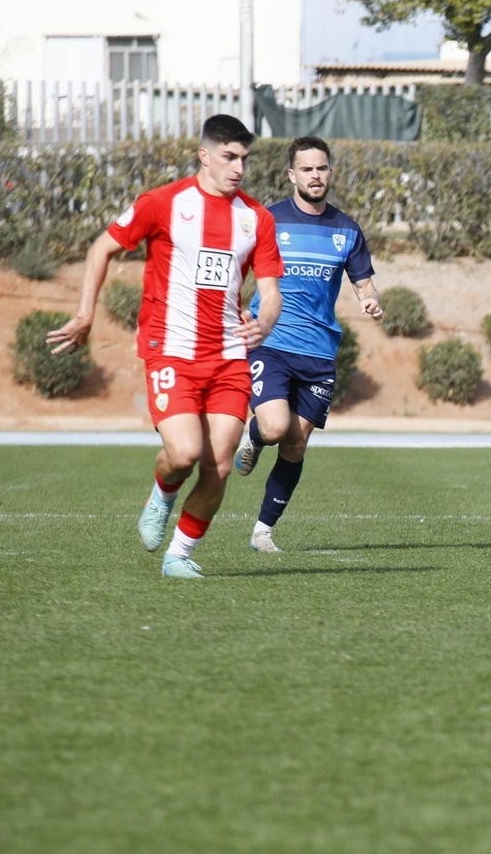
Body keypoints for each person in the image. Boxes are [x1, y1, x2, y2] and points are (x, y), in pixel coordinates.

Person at [46, 115, 283, 578]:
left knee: (219, 465)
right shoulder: (164, 203)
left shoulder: (257, 218)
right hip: (171, 349)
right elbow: (102, 249)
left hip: (230, 356)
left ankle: (179, 555)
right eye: (229, 157)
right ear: (205, 155)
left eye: (244, 160)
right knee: (183, 454)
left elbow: (270, 291)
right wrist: (85, 314)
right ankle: (163, 491)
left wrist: (266, 322)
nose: (238, 168)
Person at [234, 136, 382, 551]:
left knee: (296, 444)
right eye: (308, 169)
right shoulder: (268, 220)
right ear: (292, 174)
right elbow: (236, 265)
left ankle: (263, 531)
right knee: (276, 426)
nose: (316, 176)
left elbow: (364, 282)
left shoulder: (347, 230)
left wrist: (370, 300)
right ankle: (257, 435)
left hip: (319, 353)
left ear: (330, 172)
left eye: (322, 168)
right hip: (273, 341)